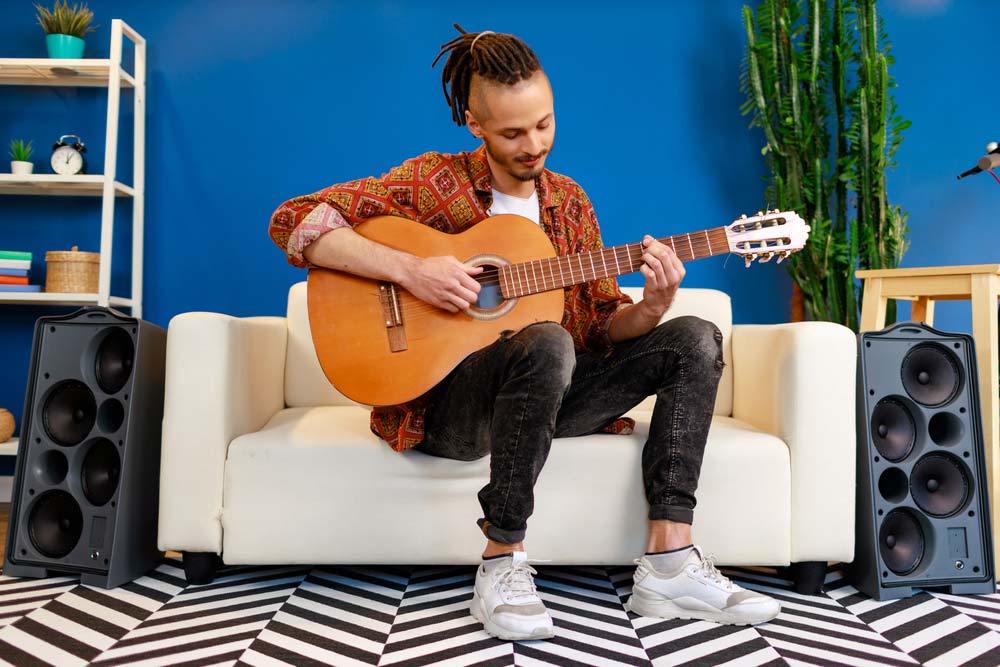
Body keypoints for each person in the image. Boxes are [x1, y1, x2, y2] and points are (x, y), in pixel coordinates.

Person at [268, 25, 780, 641]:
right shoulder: (433, 184)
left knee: (693, 336)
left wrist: (653, 305)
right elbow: (293, 220)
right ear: (472, 123)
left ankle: (670, 562)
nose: (534, 144)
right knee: (546, 339)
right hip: (449, 408)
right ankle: (501, 562)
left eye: (544, 123)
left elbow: (599, 327)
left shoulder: (570, 202)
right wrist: (414, 271)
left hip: (548, 393)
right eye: (512, 132)